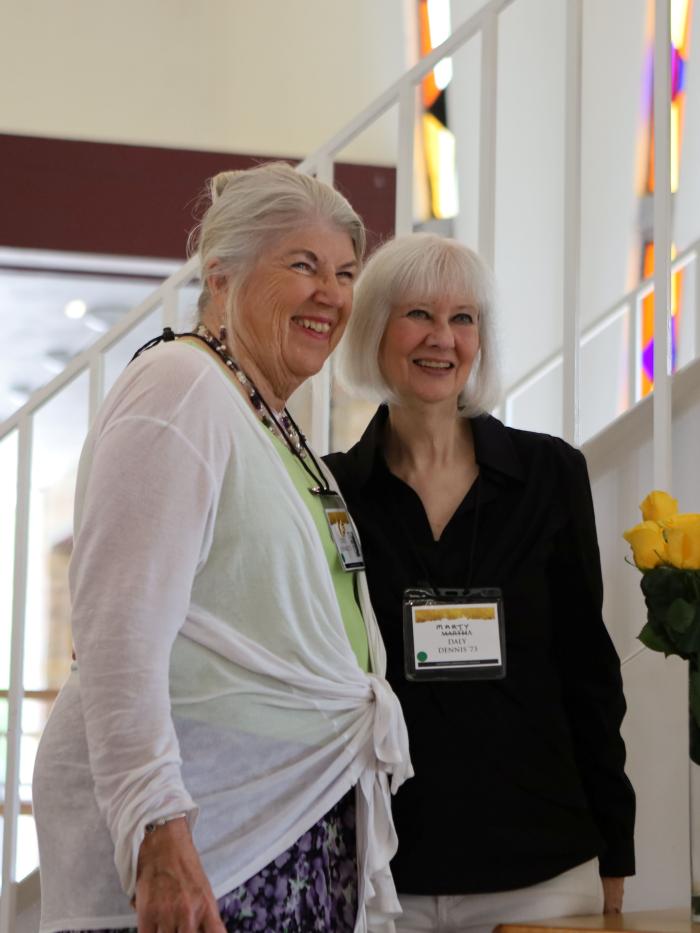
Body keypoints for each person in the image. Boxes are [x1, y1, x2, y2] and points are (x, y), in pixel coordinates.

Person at [33, 162, 412, 933]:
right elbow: (119, 631)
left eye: (344, 271)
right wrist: (157, 827)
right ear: (221, 276)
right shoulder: (182, 387)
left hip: (279, 822)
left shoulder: (264, 413)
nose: (332, 294)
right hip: (208, 837)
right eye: (301, 265)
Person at [324, 233, 635, 933]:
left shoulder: (550, 472)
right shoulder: (335, 490)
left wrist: (617, 842)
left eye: (463, 318)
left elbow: (589, 669)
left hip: (542, 869)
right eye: (418, 315)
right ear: (375, 328)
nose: (443, 338)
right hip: (382, 874)